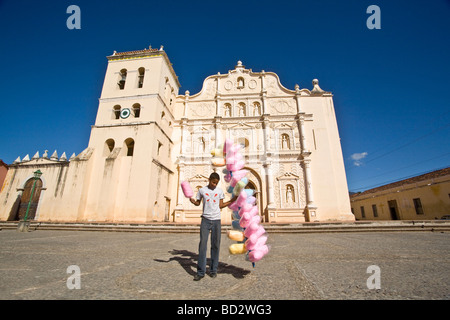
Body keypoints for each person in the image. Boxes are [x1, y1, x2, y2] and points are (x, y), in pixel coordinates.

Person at [190, 172, 237, 280]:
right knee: (202, 245)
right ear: (209, 179)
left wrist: (231, 201)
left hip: (216, 220)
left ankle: (213, 270)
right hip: (205, 220)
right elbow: (198, 203)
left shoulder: (219, 191)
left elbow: (221, 205)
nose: (214, 185)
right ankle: (201, 272)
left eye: (216, 183)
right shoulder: (202, 190)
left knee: (215, 245)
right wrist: (193, 202)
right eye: (213, 182)